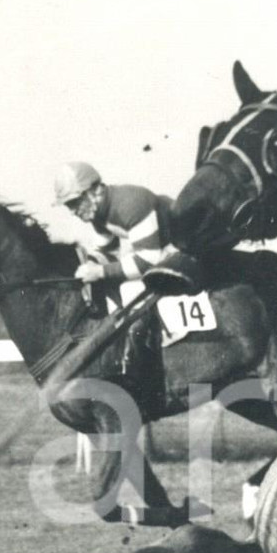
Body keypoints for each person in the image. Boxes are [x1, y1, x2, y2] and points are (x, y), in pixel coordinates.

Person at [53, 162, 200, 391]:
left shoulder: (131, 203)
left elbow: (148, 261)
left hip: (186, 248)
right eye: (68, 206)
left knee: (132, 291)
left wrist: (100, 272)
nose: (72, 211)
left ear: (94, 191)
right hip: (163, 250)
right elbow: (106, 250)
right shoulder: (98, 214)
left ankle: (148, 370)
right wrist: (87, 267)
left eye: (74, 203)